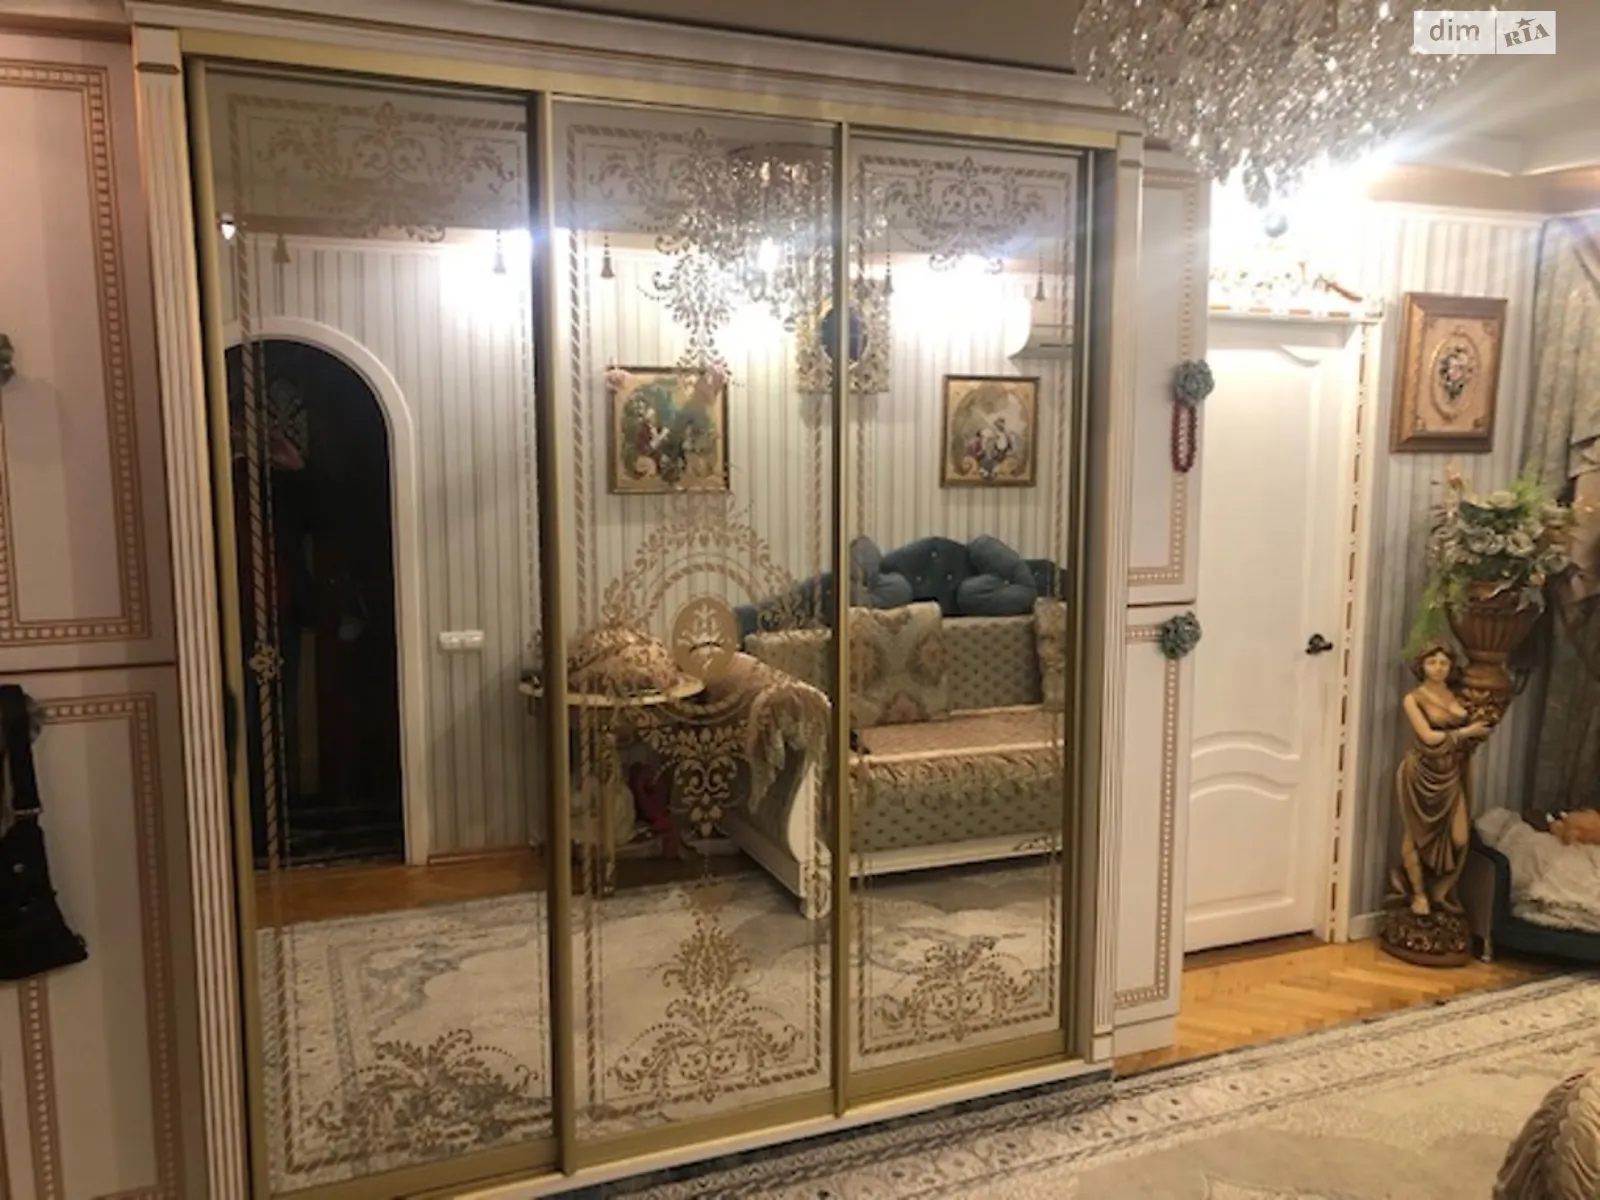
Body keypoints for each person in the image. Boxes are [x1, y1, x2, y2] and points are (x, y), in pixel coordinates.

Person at [1390, 641, 1492, 916]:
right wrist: (1466, 733)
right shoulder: (1413, 699)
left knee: (1459, 838)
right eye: (1432, 662)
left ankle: (1441, 890)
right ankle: (1419, 894)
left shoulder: (1458, 695)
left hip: (1452, 772)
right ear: (1422, 666)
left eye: (1444, 662)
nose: (1438, 668)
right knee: (1415, 834)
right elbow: (1428, 736)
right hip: (1422, 772)